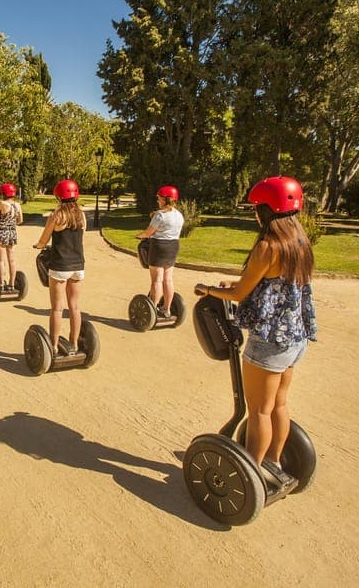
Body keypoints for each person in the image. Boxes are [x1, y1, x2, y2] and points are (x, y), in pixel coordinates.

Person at [194, 176, 317, 492]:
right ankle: (273, 461)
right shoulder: (300, 243)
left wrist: (208, 289)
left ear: (265, 210)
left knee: (258, 410)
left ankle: (251, 472)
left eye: (256, 208)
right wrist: (231, 286)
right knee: (278, 404)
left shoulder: (268, 245)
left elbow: (240, 294)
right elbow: (267, 285)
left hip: (269, 340)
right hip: (295, 336)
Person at [33, 179, 86, 356]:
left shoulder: (56, 216)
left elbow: (44, 239)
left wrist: (39, 246)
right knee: (75, 307)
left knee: (57, 308)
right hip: (78, 266)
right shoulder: (81, 215)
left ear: (58, 195)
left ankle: (54, 346)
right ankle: (74, 344)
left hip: (60, 265)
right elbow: (80, 236)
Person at [136, 185, 184, 319]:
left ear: (165, 199)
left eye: (159, 198)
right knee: (168, 279)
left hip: (159, 247)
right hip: (173, 246)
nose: (158, 201)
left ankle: (153, 309)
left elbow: (149, 232)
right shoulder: (179, 215)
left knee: (156, 281)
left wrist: (140, 235)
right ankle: (166, 309)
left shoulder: (160, 215)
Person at [0, 182, 23, 290]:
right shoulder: (18, 205)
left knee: (1, 260)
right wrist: (12, 223)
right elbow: (20, 220)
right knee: (12, 259)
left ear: (3, 193)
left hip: (2, 232)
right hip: (12, 233)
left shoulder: (2, 204)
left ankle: (1, 284)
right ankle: (12, 284)